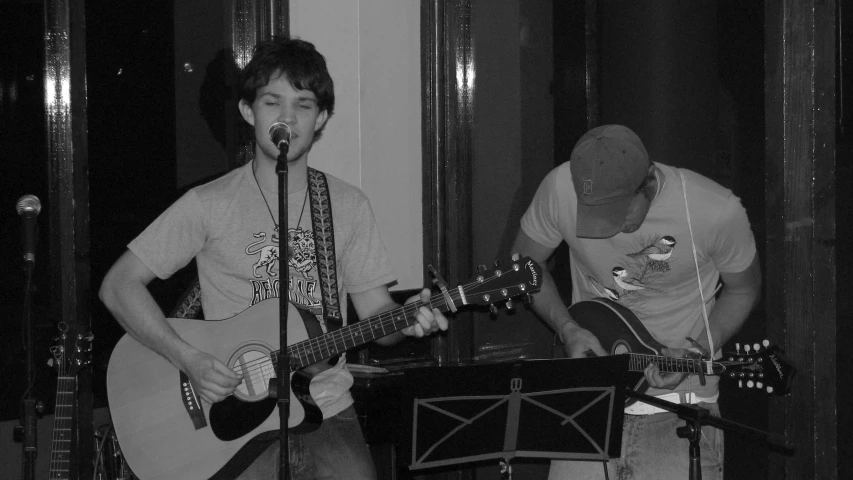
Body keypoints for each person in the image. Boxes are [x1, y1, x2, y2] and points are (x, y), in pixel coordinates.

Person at [99, 36, 448, 480]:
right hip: (231, 418)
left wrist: (408, 319)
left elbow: (376, 314)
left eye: (303, 105)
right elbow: (118, 286)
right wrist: (188, 358)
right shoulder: (209, 203)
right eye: (272, 102)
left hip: (327, 404)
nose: (287, 117)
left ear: (320, 118)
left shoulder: (346, 205)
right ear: (249, 112)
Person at [511, 124, 761, 479]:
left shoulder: (714, 210)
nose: (608, 227)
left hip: (680, 408)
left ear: (648, 181)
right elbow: (524, 264)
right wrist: (567, 329)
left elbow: (744, 289)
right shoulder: (558, 188)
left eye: (619, 212)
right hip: (591, 400)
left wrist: (695, 353)